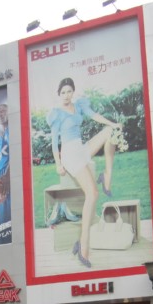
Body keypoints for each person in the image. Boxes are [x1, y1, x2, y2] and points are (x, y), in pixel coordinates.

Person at [48, 77, 121, 268]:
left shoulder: (78, 106)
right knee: (93, 194)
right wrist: (58, 164)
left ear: (73, 92)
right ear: (59, 94)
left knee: (109, 132)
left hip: (81, 149)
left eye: (69, 92)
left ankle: (107, 176)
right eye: (63, 92)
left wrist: (113, 124)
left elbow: (95, 116)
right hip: (70, 154)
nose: (66, 95)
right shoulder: (57, 114)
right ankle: (84, 243)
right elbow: (55, 142)